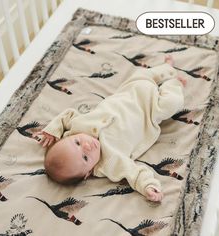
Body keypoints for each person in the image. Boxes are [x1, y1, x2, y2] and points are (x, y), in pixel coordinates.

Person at [35, 60, 186, 203]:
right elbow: (133, 173)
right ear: (88, 173)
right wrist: (148, 186)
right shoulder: (110, 163)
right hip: (151, 111)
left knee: (143, 74)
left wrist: (53, 130)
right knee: (171, 103)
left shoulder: (78, 126)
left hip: (129, 90)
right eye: (86, 158)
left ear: (68, 137)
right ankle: (174, 83)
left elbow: (66, 115)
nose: (87, 146)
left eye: (77, 142)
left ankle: (167, 68)